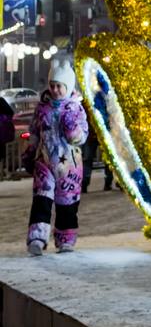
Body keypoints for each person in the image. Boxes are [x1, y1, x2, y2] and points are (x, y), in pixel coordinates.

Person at [26, 57, 88, 256]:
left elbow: (81, 136)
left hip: (69, 166)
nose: (55, 90)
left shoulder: (75, 109)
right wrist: (29, 153)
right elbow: (34, 133)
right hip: (45, 162)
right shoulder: (42, 109)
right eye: (52, 85)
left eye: (59, 86)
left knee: (67, 204)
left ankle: (65, 239)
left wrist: (72, 129)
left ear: (68, 86)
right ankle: (37, 237)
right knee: (42, 200)